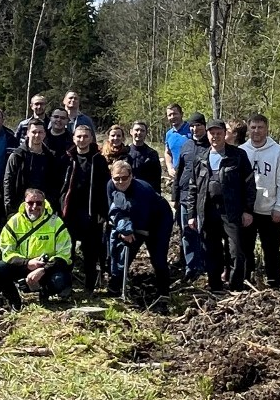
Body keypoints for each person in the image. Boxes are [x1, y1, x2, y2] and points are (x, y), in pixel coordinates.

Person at [185, 119, 255, 292]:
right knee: (211, 251)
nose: (215, 136)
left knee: (236, 252)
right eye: (212, 133)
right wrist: (191, 214)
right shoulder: (200, 158)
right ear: (207, 135)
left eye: (219, 133)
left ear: (225, 134)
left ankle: (235, 287)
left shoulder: (238, 156)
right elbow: (193, 188)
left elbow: (249, 185)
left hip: (231, 211)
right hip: (207, 212)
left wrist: (247, 210)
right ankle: (215, 286)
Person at [0, 188, 73, 305]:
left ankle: (45, 293)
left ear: (44, 204)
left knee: (60, 281)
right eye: (30, 203)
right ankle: (15, 301)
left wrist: (43, 269)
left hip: (47, 268)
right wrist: (27, 263)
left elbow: (64, 254)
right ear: (24, 203)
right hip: (22, 265)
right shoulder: (14, 222)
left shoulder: (55, 222)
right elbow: (7, 252)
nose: (34, 207)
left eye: (39, 203)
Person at [106, 160, 173, 297]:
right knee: (122, 251)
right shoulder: (110, 186)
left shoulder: (142, 190)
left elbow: (142, 219)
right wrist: (124, 230)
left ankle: (163, 292)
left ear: (131, 176)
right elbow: (114, 211)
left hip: (158, 221)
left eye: (124, 178)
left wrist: (129, 231)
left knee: (158, 257)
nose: (120, 182)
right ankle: (116, 286)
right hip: (132, 219)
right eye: (116, 178)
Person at [241, 114, 280, 289]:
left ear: (267, 129)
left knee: (271, 248)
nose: (256, 131)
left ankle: (275, 283)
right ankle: (245, 281)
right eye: (253, 127)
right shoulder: (242, 151)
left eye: (260, 127)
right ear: (248, 129)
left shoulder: (278, 151)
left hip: (269, 209)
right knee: (245, 248)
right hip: (248, 209)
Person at [60, 125, 110, 290]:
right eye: (79, 137)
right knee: (68, 252)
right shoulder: (66, 158)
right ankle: (66, 286)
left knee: (91, 253)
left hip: (92, 213)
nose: (82, 140)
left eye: (85, 137)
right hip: (69, 213)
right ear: (74, 138)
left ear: (91, 138)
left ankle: (90, 287)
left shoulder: (99, 160)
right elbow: (59, 186)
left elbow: (105, 188)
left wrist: (103, 211)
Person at [173, 113, 212, 281]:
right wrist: (175, 196)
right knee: (187, 233)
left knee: (205, 232)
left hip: (204, 198)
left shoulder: (211, 146)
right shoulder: (186, 145)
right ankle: (191, 266)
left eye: (199, 125)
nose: (195, 129)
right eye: (192, 126)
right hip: (184, 197)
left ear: (204, 126)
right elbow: (179, 172)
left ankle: (205, 265)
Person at [4, 118, 60, 216]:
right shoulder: (17, 156)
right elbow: (8, 183)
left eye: (40, 132)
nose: (37, 135)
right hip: (20, 207)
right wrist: (10, 210)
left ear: (44, 134)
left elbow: (55, 184)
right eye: (34, 132)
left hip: (44, 208)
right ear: (28, 133)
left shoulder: (51, 157)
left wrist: (53, 205)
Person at [127, 121, 163, 190]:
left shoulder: (152, 154)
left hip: (145, 192)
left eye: (142, 131)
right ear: (131, 132)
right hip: (127, 192)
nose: (139, 133)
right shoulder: (125, 152)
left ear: (146, 133)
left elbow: (156, 179)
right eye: (137, 130)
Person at [163, 103, 192, 180]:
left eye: (175, 114)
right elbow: (167, 152)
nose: (172, 117)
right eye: (170, 115)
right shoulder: (168, 134)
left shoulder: (191, 129)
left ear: (181, 114)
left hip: (192, 175)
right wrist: (169, 167)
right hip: (177, 175)